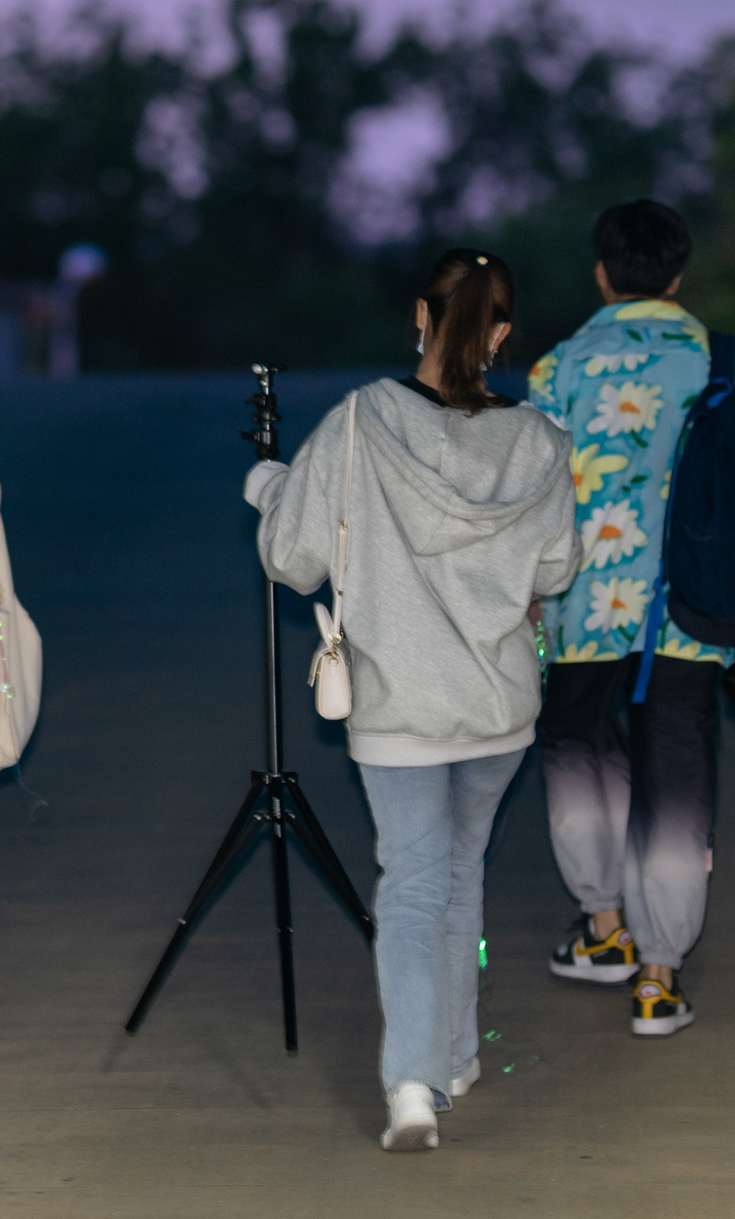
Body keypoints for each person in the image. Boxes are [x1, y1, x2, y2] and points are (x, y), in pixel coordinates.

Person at [247, 248, 578, 1152]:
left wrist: (269, 487)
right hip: (497, 705)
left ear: (421, 318)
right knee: (460, 874)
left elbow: (293, 559)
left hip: (397, 703)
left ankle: (411, 1084)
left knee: (414, 881)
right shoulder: (541, 442)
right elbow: (556, 568)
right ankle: (455, 1054)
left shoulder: (360, 421)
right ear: (502, 334)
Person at [527, 199, 735, 1038]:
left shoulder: (557, 369)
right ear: (677, 274)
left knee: (579, 758)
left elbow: (524, 496)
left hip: (575, 612)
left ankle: (604, 927)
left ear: (602, 272)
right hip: (689, 613)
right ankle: (658, 977)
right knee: (673, 781)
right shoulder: (720, 363)